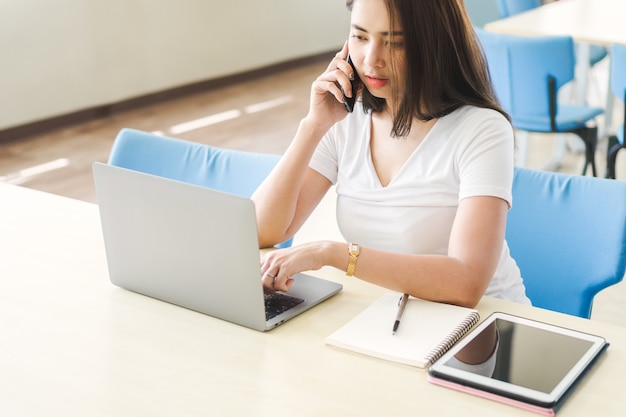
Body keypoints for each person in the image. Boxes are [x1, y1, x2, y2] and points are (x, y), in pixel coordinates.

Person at [252, 0, 530, 308]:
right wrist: (313, 126)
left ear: (434, 44)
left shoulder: (482, 129)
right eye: (360, 37)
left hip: (484, 328)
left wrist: (333, 254)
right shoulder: (346, 120)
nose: (372, 59)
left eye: (395, 42)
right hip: (396, 317)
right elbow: (261, 231)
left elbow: (466, 283)